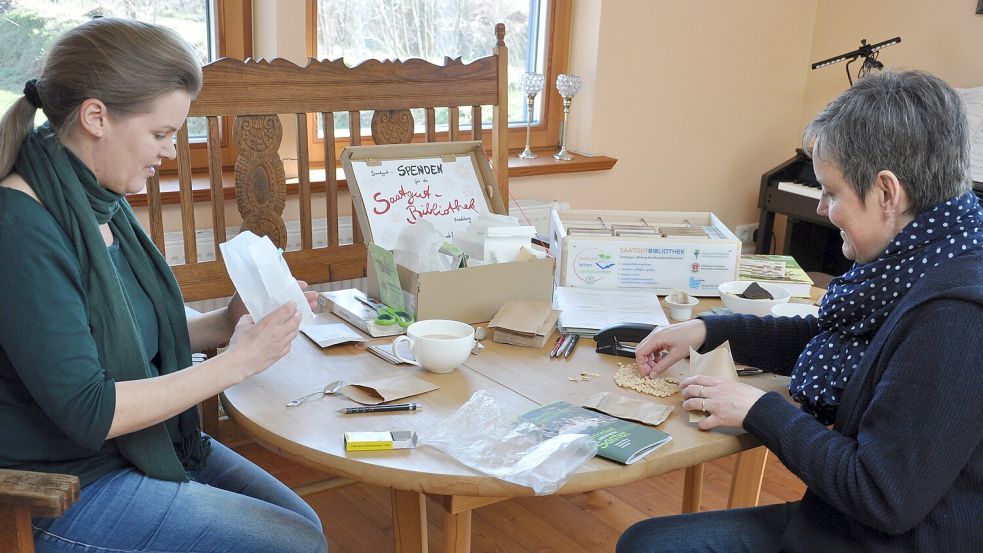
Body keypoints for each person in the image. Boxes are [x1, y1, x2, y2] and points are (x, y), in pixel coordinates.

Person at [618, 70, 983, 552]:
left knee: (648, 545)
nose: (826, 210)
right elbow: (838, 339)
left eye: (832, 193)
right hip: (850, 522)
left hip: (889, 538)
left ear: (887, 193)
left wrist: (756, 409)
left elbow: (882, 496)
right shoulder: (937, 252)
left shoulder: (956, 319)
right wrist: (707, 330)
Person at [0, 18, 328, 553]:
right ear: (96, 117)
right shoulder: (21, 228)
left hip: (139, 445)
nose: (170, 152)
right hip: (60, 486)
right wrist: (238, 361)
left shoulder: (96, 199)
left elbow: (134, 333)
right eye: (160, 134)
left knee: (302, 526)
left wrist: (228, 323)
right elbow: (90, 409)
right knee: (293, 544)